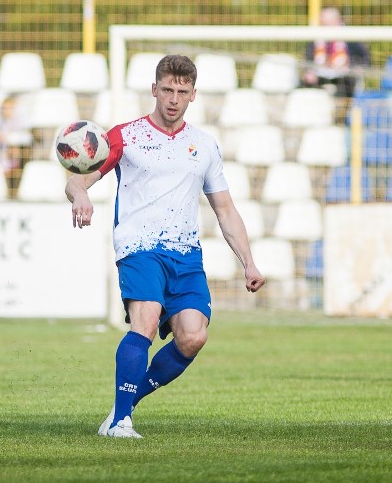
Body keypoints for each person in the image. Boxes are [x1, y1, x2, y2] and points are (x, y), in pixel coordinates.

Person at [66, 54, 266, 438]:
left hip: (186, 254)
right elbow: (78, 179)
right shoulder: (126, 135)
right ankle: (122, 422)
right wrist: (80, 197)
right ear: (154, 90)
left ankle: (122, 407)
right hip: (139, 247)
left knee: (193, 336)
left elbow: (224, 209)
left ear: (193, 95)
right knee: (145, 319)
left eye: (182, 91)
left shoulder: (204, 145)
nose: (174, 98)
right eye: (168, 90)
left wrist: (249, 263)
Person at [301, 6, 369, 99]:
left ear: (337, 21)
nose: (326, 26)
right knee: (304, 86)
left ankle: (340, 112)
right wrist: (309, 72)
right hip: (320, 77)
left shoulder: (351, 38)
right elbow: (307, 60)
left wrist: (351, 66)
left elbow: (364, 59)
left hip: (343, 78)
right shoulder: (315, 38)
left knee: (346, 85)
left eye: (329, 23)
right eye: (324, 23)